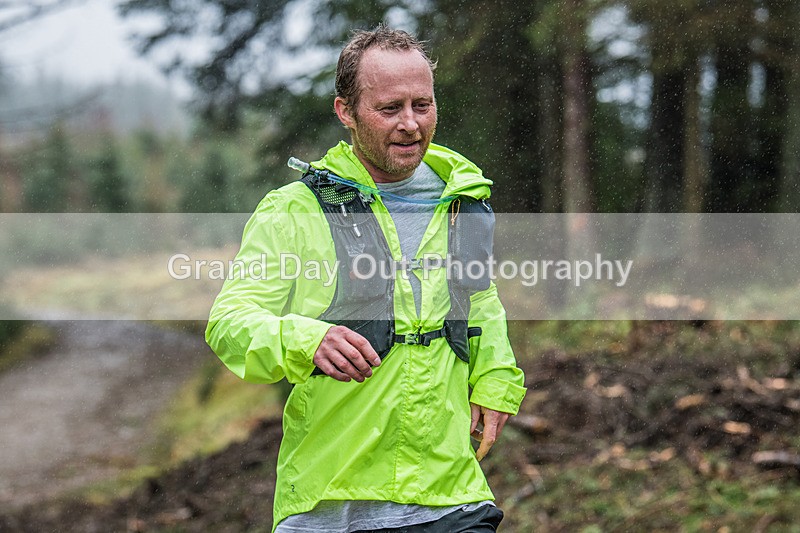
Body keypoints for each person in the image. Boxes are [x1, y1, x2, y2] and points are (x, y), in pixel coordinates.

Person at [205, 25, 526, 533]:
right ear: (346, 112)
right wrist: (305, 339)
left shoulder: (464, 201)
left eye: (423, 105)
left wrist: (495, 380)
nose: (410, 124)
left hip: (449, 495)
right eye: (389, 108)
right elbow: (229, 323)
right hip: (330, 501)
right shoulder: (292, 211)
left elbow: (479, 302)